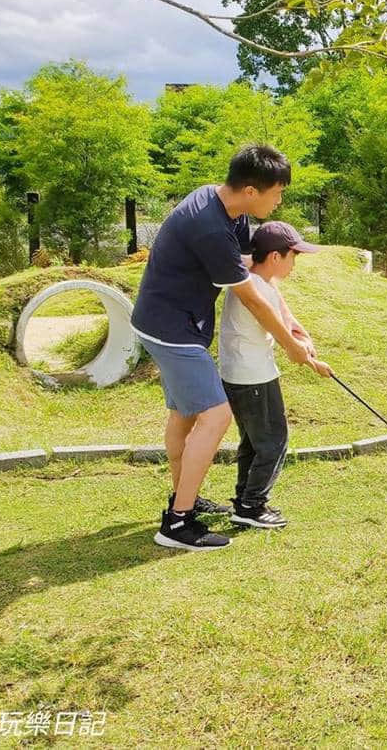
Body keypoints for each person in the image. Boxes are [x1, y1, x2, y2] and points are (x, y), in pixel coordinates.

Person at [131, 144, 311, 551]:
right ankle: (177, 524)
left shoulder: (225, 206)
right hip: (170, 329)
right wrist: (291, 346)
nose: (279, 200)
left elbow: (252, 268)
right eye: (277, 192)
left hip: (172, 323)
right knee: (215, 414)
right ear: (251, 189)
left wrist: (292, 322)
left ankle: (185, 500)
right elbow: (250, 296)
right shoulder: (210, 226)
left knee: (183, 416)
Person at [218, 221, 333, 529]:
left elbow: (285, 320)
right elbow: (285, 341)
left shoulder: (249, 281)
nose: (294, 264)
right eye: (292, 257)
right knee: (273, 441)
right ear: (274, 258)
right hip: (254, 376)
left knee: (253, 442)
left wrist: (302, 338)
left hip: (237, 375)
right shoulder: (259, 291)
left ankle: (244, 499)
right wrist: (312, 362)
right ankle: (252, 506)